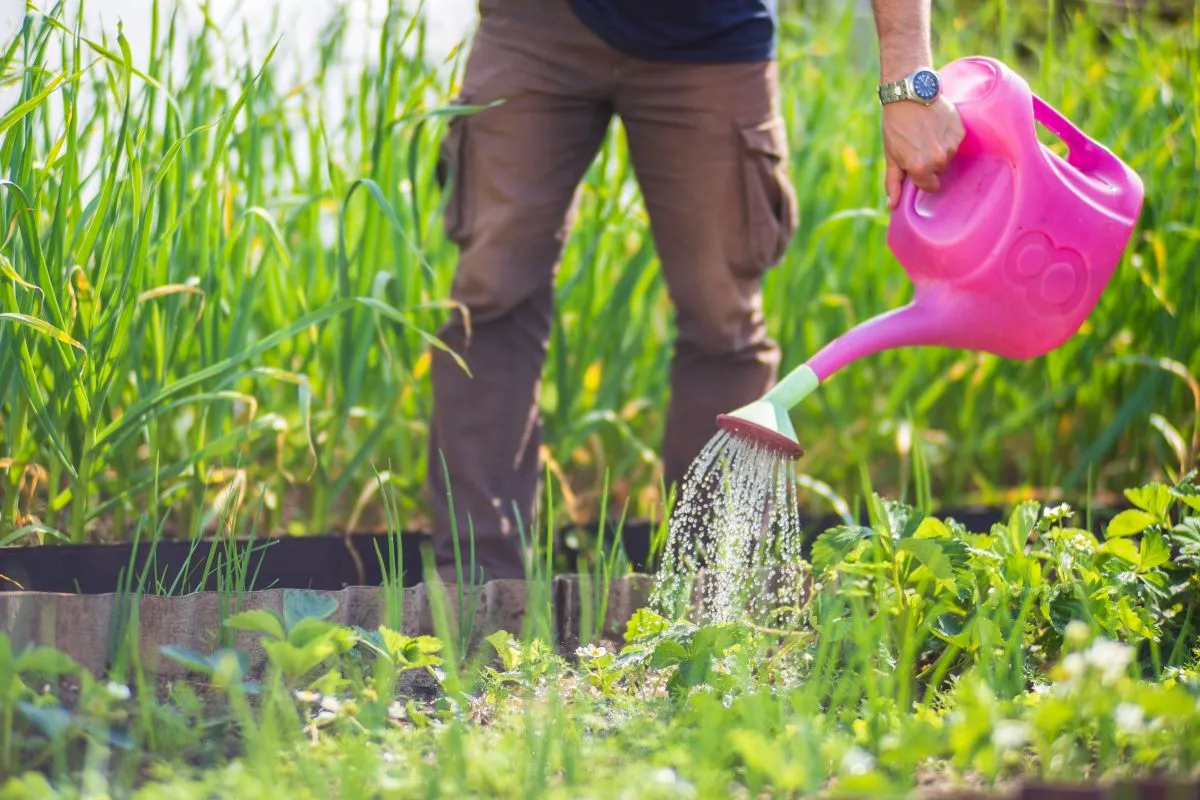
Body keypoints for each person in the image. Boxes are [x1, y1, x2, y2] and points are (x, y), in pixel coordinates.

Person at [426, 0, 965, 583]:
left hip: (713, 39)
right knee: (489, 297)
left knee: (721, 319)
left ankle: (710, 600)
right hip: (536, 26)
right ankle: (475, 597)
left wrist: (909, 79)